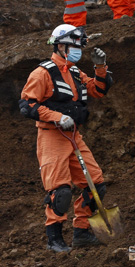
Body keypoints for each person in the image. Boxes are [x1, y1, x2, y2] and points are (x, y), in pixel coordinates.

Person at [18, 25, 112, 252]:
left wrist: (100, 67)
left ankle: (81, 232)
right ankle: (55, 240)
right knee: (60, 192)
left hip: (73, 136)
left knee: (96, 185)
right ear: (60, 45)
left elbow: (99, 90)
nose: (78, 50)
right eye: (75, 46)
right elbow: (26, 105)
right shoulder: (42, 73)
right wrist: (57, 117)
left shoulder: (76, 73)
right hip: (52, 136)